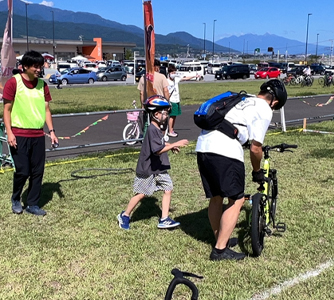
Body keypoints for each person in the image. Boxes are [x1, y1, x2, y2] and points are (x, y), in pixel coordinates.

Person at [195, 79, 288, 261]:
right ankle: (220, 250)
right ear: (275, 102)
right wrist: (256, 171)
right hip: (225, 151)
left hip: (203, 147)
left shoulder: (243, 99)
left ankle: (220, 239)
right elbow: (255, 148)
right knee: (236, 200)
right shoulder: (264, 109)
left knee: (216, 197)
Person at [117, 95, 189, 230]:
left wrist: (171, 145)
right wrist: (176, 143)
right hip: (148, 168)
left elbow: (160, 143)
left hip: (158, 167)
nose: (167, 115)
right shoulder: (151, 130)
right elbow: (157, 150)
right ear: (156, 114)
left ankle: (164, 219)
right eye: (165, 113)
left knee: (168, 188)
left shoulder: (157, 129)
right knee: (141, 193)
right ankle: (125, 215)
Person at [3, 50, 58, 216]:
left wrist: (52, 131)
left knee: (37, 171)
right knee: (22, 170)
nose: (38, 69)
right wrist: (10, 133)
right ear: (24, 66)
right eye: (35, 66)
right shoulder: (13, 83)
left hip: (38, 135)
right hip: (19, 134)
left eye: (40, 66)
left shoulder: (43, 85)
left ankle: (32, 203)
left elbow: (47, 110)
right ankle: (16, 198)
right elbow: (6, 110)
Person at [166, 64, 198, 138]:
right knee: (172, 116)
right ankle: (170, 131)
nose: (174, 74)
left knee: (175, 116)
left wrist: (194, 76)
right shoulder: (167, 81)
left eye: (175, 73)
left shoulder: (176, 79)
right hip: (172, 100)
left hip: (177, 99)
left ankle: (172, 129)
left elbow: (185, 78)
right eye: (172, 73)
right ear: (169, 73)